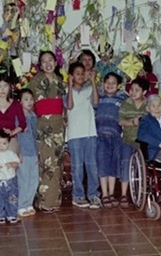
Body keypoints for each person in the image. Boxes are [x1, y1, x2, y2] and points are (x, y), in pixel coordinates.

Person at [28, 50, 66, 212]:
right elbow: (30, 104)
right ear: (40, 65)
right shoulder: (35, 81)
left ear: (56, 62)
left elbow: (63, 104)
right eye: (44, 61)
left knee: (57, 164)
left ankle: (54, 200)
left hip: (59, 126)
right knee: (45, 162)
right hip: (42, 126)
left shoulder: (60, 81)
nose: (48, 64)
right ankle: (43, 201)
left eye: (51, 60)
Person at [64, 62, 101, 210]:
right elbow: (70, 105)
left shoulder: (89, 90)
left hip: (90, 133)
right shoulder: (66, 91)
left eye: (82, 73)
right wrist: (69, 85)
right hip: (74, 135)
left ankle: (93, 195)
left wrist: (92, 81)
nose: (80, 75)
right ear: (72, 76)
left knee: (92, 166)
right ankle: (78, 196)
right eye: (77, 73)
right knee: (77, 167)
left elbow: (96, 103)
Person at [96, 72, 128, 208]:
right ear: (103, 84)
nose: (109, 85)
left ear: (119, 86)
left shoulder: (122, 99)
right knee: (102, 164)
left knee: (114, 164)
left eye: (113, 83)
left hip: (116, 136)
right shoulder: (98, 98)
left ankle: (111, 193)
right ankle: (104, 194)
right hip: (100, 136)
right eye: (107, 83)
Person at [118, 77, 149, 207]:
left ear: (144, 92)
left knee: (146, 164)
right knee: (126, 163)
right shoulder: (126, 103)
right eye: (132, 89)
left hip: (143, 141)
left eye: (137, 90)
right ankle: (124, 194)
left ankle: (144, 190)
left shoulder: (148, 104)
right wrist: (132, 122)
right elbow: (120, 121)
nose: (133, 92)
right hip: (128, 140)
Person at [17, 89, 40, 218]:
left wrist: (37, 151)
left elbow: (35, 135)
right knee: (23, 179)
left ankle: (29, 203)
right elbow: (16, 136)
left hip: (33, 152)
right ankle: (21, 205)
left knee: (34, 179)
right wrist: (18, 152)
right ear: (19, 102)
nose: (29, 102)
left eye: (31, 99)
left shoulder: (33, 116)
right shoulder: (18, 116)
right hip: (23, 153)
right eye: (26, 99)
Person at [0, 131, 20, 224]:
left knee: (12, 198)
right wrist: (1, 168)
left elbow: (16, 163)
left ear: (8, 143)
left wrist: (11, 164)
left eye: (4, 143)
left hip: (11, 180)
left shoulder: (11, 153)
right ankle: (0, 215)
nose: (1, 146)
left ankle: (12, 214)